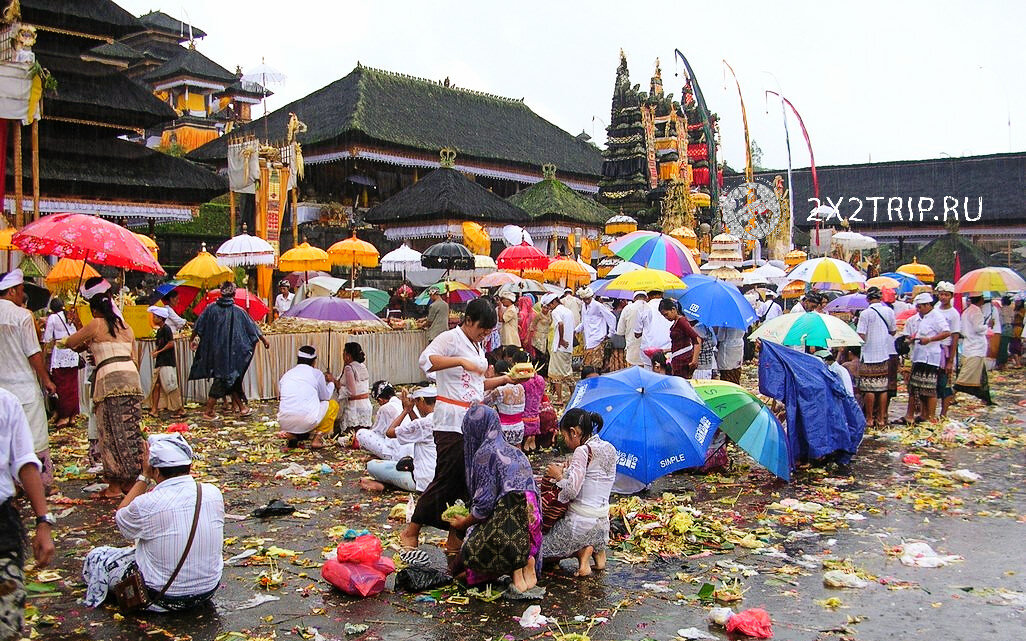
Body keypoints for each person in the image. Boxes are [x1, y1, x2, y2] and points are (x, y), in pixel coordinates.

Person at [401, 298, 508, 553]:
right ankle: (412, 529)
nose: (484, 334)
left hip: (474, 422)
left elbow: (473, 386)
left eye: (488, 331)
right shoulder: (451, 338)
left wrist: (505, 379)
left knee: (467, 481)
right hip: (451, 422)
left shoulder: (477, 346)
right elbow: (426, 361)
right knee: (447, 477)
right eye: (482, 328)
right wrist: (460, 361)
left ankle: (454, 537)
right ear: (469, 320)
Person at [82, 434, 224, 612]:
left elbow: (121, 517)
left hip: (161, 597)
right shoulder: (212, 493)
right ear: (189, 465)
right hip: (207, 590)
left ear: (155, 470)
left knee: (96, 557)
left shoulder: (147, 504)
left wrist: (144, 477)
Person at [447, 405, 541, 593]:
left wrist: (463, 523)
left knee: (464, 561)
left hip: (510, 523)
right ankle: (526, 561)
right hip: (533, 524)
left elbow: (484, 506)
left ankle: (514, 565)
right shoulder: (515, 450)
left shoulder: (485, 453)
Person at [0, 387, 55, 640]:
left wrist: (43, 523)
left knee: (6, 623)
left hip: (2, 529)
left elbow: (25, 463)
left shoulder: (6, 403)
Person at [541, 408, 616, 576]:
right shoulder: (609, 448)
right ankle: (595, 553)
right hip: (602, 524)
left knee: (538, 552)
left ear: (574, 432)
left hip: (580, 523)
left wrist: (559, 476)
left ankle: (581, 551)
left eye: (565, 436)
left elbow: (571, 491)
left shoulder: (582, 451)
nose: (566, 441)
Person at [0, 270, 56, 490]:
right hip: (24, 387)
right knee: (34, 437)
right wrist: (47, 380)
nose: (23, 295)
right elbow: (33, 353)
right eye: (21, 290)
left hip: (2, 388)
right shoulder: (22, 316)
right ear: (12, 290)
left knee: (5, 438)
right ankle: (36, 485)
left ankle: (9, 484)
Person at [189, 282, 269, 419]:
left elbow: (198, 325)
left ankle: (242, 408)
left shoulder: (211, 308)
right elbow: (252, 327)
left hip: (216, 352)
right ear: (233, 295)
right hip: (231, 353)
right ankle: (208, 410)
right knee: (224, 379)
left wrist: (192, 339)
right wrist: (264, 340)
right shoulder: (238, 311)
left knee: (233, 378)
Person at [365, 387, 437, 492]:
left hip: (423, 480)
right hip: (438, 477)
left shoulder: (424, 423)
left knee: (372, 466)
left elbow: (389, 432)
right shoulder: (442, 418)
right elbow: (420, 428)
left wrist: (406, 410)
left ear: (421, 401)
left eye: (416, 403)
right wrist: (411, 411)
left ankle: (385, 487)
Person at [902, 293, 951, 424]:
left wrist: (929, 339)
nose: (919, 309)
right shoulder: (922, 318)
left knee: (929, 389)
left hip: (930, 356)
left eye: (920, 307)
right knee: (918, 387)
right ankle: (923, 415)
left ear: (928, 305)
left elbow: (947, 332)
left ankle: (930, 416)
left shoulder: (937, 316)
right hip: (919, 356)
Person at [276, 346, 338, 449]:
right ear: (314, 361)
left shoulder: (287, 375)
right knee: (332, 404)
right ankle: (317, 439)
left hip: (284, 421)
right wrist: (331, 383)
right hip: (306, 420)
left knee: (299, 409)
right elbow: (325, 397)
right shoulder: (316, 373)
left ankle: (292, 435)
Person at [856, 287, 896, 428]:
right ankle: (880, 418)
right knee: (882, 387)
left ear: (868, 299)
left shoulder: (865, 314)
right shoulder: (889, 311)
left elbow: (861, 334)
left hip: (868, 354)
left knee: (869, 389)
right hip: (883, 354)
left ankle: (869, 418)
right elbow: (893, 330)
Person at [43, 298, 80, 428]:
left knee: (62, 386)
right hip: (73, 354)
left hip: (60, 354)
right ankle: (73, 415)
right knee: (73, 385)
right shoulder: (71, 315)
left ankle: (64, 416)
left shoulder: (53, 318)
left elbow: (47, 338)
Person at [356, 381, 413, 461]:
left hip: (397, 453)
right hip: (413, 451)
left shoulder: (386, 408)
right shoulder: (403, 404)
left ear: (380, 400)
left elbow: (377, 432)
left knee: (361, 433)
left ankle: (385, 456)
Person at [146, 306, 185, 419]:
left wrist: (158, 352)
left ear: (160, 318)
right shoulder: (160, 331)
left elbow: (171, 343)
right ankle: (154, 409)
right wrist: (156, 351)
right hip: (160, 361)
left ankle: (180, 408)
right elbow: (160, 343)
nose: (153, 319)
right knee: (156, 385)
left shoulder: (167, 329)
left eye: (155, 317)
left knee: (170, 386)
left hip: (166, 361)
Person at [954, 295, 994, 404]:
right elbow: (978, 328)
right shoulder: (976, 312)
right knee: (965, 376)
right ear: (981, 300)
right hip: (975, 348)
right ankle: (952, 395)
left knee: (982, 376)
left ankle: (986, 399)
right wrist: (988, 326)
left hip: (970, 346)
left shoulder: (967, 311)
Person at [933, 282, 961, 416]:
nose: (943, 297)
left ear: (951, 296)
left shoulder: (953, 314)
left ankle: (943, 413)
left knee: (945, 383)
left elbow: (955, 336)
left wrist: (950, 360)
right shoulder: (935, 309)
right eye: (941, 294)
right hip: (933, 349)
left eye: (946, 295)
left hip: (945, 349)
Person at [484, 360, 525, 447]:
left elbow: (484, 403)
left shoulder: (500, 391)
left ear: (497, 374)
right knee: (517, 452)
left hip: (504, 428)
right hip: (519, 427)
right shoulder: (520, 387)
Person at [575, 287, 615, 372]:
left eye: (588, 299)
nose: (586, 301)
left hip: (597, 338)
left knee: (596, 364)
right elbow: (584, 322)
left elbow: (611, 318)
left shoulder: (598, 305)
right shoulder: (583, 306)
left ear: (591, 297)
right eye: (584, 299)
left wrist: (610, 334)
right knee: (588, 365)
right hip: (588, 340)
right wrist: (576, 330)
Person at [657, 298, 700, 378]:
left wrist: (694, 361)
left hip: (684, 362)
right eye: (664, 316)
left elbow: (697, 339)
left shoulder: (682, 321)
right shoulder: (676, 322)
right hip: (678, 360)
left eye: (666, 314)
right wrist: (667, 350)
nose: (666, 317)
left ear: (673, 309)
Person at [545, 293, 575, 404]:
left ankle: (559, 399)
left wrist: (561, 339)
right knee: (567, 372)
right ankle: (573, 395)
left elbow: (560, 324)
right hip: (568, 347)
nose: (549, 308)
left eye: (549, 305)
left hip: (560, 347)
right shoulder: (568, 311)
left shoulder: (556, 311)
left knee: (556, 373)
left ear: (554, 302)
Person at [513, 354, 545, 453]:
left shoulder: (522, 382)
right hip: (535, 418)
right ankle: (532, 440)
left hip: (523, 419)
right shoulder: (540, 379)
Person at [339, 342, 372, 433]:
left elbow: (352, 391)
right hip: (365, 405)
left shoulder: (349, 368)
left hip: (354, 407)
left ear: (348, 355)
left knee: (352, 438)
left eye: (344, 353)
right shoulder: (362, 366)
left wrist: (336, 384)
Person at [642, 290, 672, 367]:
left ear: (648, 296)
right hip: (668, 349)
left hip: (649, 351)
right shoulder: (671, 307)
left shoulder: (644, 308)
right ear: (662, 294)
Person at [622, 291, 650, 368]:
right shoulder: (650, 308)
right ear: (646, 298)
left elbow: (620, 330)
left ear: (634, 298)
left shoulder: (627, 308)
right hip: (648, 349)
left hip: (632, 347)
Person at [528, 296, 552, 376]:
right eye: (544, 308)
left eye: (547, 308)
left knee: (546, 355)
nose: (545, 309)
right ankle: (538, 371)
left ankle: (544, 372)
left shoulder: (550, 315)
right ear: (541, 307)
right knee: (540, 355)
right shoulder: (538, 315)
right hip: (538, 337)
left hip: (546, 336)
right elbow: (532, 325)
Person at [690, 315, 717, 380]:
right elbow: (714, 342)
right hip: (708, 365)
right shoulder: (707, 327)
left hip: (699, 367)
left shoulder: (695, 331)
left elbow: (695, 348)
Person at [997, 294, 1014, 370]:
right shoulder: (1011, 309)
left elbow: (1000, 320)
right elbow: (1012, 319)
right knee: (1005, 346)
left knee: (1002, 347)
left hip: (1004, 327)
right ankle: (1003, 363)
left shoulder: (1002, 310)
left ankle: (1002, 364)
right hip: (1010, 327)